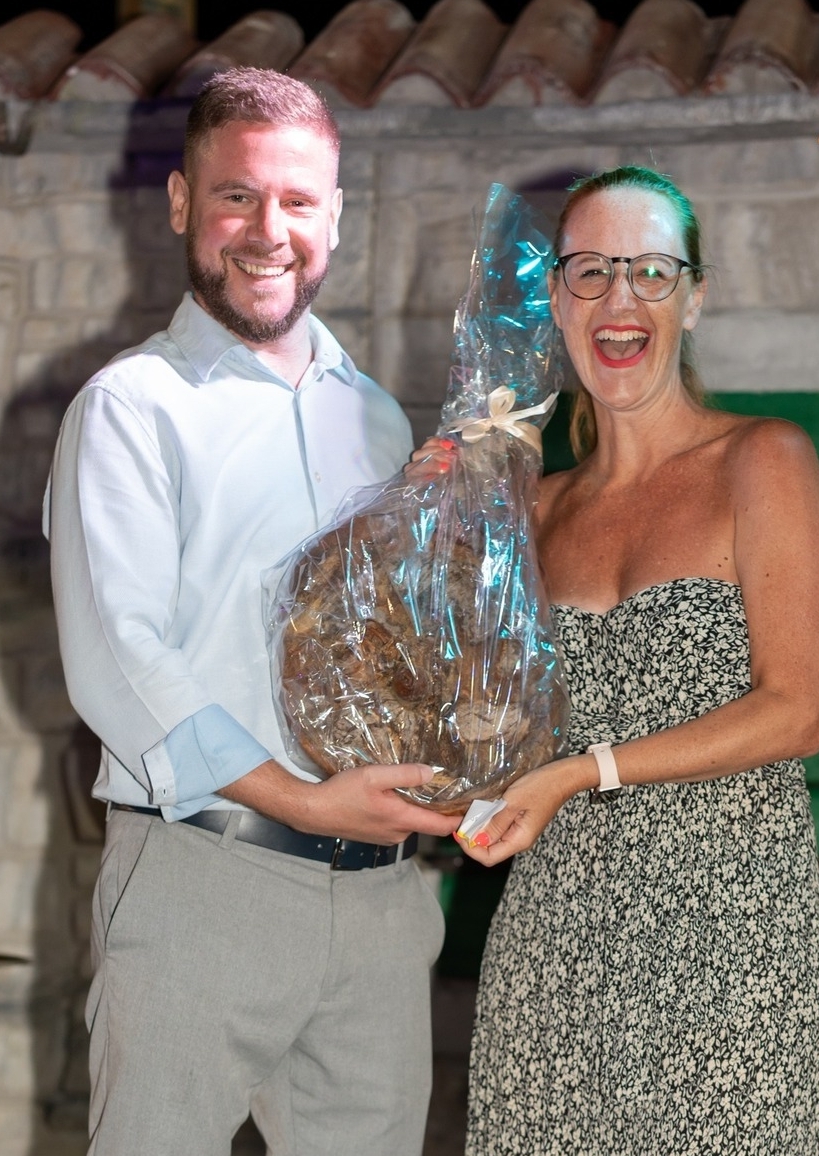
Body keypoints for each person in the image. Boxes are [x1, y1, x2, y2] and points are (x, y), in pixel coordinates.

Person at [43, 67, 458, 1156]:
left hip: (380, 909)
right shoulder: (131, 408)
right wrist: (304, 802)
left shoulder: (377, 419)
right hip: (204, 881)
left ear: (335, 216)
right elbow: (122, 658)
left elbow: (392, 648)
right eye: (237, 196)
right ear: (182, 203)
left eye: (297, 200)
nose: (269, 232)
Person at [420, 165, 819, 1154]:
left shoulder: (762, 458)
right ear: (556, 301)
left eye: (651, 270)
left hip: (732, 946)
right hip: (550, 952)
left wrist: (583, 772)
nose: (620, 297)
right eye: (591, 271)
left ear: (695, 296)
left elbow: (801, 706)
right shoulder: (532, 507)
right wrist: (431, 533)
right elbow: (483, 730)